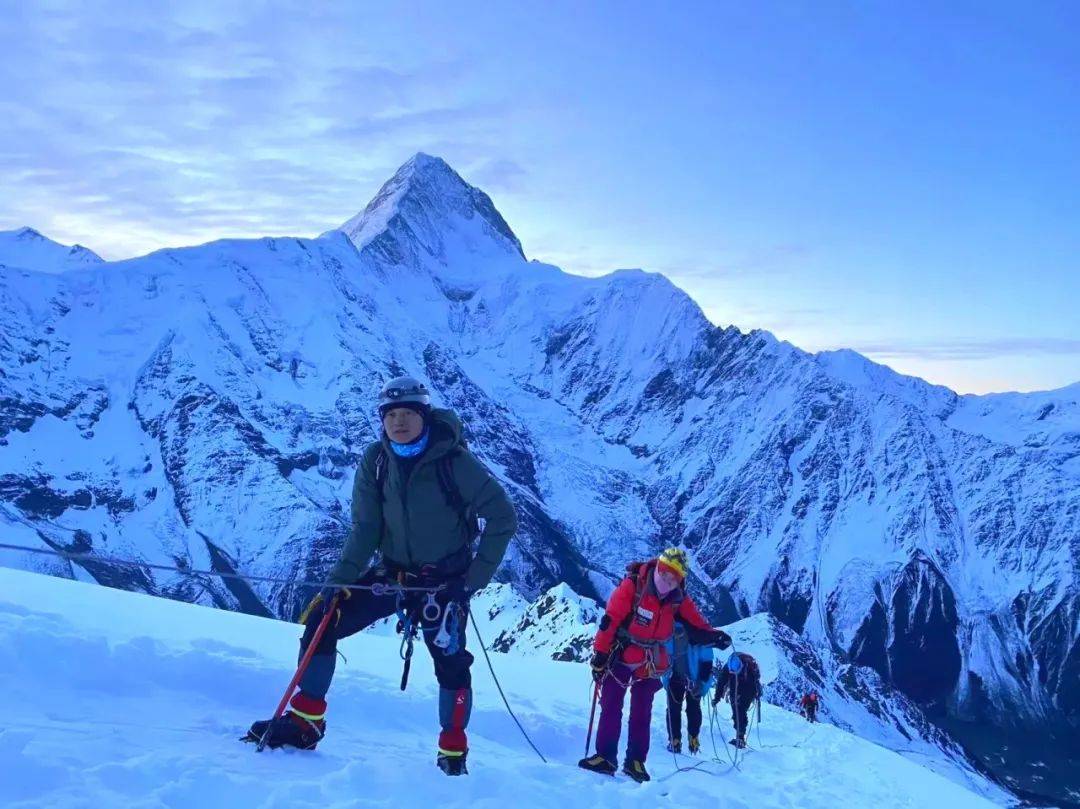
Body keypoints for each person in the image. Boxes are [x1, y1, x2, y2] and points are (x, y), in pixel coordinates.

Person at [245, 376, 517, 776]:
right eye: (391, 415)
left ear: (425, 416)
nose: (399, 422)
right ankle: (306, 722)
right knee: (324, 620)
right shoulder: (376, 461)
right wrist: (338, 583)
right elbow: (366, 529)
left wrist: (471, 581)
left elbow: (502, 517)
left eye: (408, 413)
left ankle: (453, 752)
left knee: (452, 664)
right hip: (393, 573)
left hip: (443, 582)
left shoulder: (455, 463)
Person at [578, 548, 732, 783]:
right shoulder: (633, 586)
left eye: (673, 579)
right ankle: (606, 757)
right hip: (621, 653)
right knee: (611, 705)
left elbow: (697, 624)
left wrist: (715, 637)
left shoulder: (678, 599)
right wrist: (599, 654)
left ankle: (635, 761)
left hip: (649, 661)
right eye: (664, 574)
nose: (666, 581)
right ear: (657, 568)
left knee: (642, 712)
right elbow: (610, 620)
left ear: (679, 581)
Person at [663, 619, 716, 754]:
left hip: (674, 676)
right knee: (693, 709)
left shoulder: (668, 630)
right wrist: (702, 682)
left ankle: (674, 740)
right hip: (695, 678)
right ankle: (693, 738)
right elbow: (707, 660)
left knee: (673, 708)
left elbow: (664, 657)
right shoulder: (699, 632)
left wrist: (666, 679)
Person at [712, 651, 762, 749]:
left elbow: (722, 683)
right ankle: (740, 736)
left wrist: (717, 698)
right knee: (739, 710)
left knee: (739, 710)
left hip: (746, 688)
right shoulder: (730, 667)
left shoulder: (746, 670)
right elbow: (721, 683)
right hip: (742, 688)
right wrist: (717, 698)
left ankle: (740, 737)